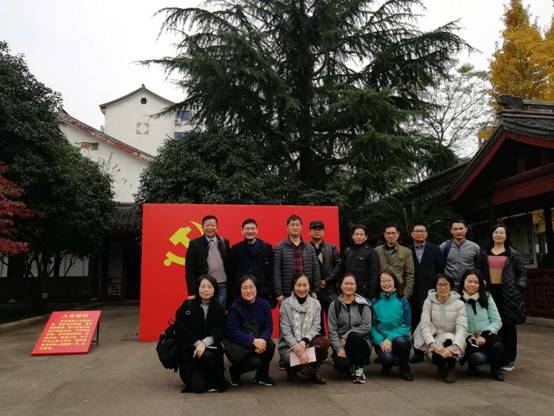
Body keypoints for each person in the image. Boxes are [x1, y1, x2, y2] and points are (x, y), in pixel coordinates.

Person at [478, 223, 527, 372]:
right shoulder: (484, 253)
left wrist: (518, 287)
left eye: (502, 232)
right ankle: (494, 356)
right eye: (496, 232)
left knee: (508, 326)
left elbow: (522, 274)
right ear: (491, 235)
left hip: (508, 293)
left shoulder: (513, 254)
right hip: (489, 292)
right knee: (491, 325)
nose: (499, 235)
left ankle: (509, 358)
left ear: (506, 236)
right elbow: (478, 272)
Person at [174, 274, 228, 393]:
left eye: (209, 287)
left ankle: (213, 377)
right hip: (190, 354)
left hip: (211, 353)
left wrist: (204, 343)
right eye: (203, 286)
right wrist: (197, 343)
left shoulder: (218, 308)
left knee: (208, 356)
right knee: (198, 387)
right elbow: (180, 328)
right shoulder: (187, 305)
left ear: (215, 289)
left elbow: (221, 329)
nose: (206, 290)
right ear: (197, 288)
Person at [413, 274, 467, 383]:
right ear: (435, 286)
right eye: (440, 284)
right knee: (438, 344)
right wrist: (433, 345)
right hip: (435, 340)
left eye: (446, 285)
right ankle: (441, 366)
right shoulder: (428, 302)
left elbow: (462, 328)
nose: (443, 287)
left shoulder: (459, 304)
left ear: (451, 287)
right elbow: (424, 326)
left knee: (449, 337)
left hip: (452, 341)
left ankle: (451, 369)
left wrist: (454, 347)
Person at [224, 275, 276, 387]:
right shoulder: (235, 307)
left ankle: (261, 376)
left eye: (251, 287)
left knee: (270, 345)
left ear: (256, 288)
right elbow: (233, 332)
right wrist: (253, 341)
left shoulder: (264, 304)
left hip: (258, 340)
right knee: (255, 362)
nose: (248, 291)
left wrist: (263, 340)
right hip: (240, 345)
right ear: (240, 290)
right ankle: (233, 371)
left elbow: (268, 326)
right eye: (245, 288)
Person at [279, 274, 329, 384]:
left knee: (323, 342)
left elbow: (316, 326)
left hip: (308, 343)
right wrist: (298, 348)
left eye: (305, 285)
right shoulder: (285, 305)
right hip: (289, 347)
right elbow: (286, 331)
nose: (302, 289)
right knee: (299, 361)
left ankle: (312, 372)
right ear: (293, 286)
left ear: (309, 286)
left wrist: (303, 342)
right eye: (298, 285)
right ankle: (292, 369)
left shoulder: (316, 304)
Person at [458, 269, 504, 381]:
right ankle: (472, 364)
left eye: (476, 282)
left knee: (497, 345)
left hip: (487, 336)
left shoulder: (486, 296)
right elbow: (456, 324)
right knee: (477, 358)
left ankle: (496, 369)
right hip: (469, 338)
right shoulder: (457, 300)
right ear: (463, 282)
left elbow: (497, 321)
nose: (473, 285)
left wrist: (484, 335)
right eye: (469, 281)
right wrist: (469, 337)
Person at [409, 223, 444, 363]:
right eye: (416, 231)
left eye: (422, 231)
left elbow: (440, 270)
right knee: (415, 321)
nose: (419, 233)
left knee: (432, 321)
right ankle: (417, 352)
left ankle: (434, 351)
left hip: (431, 291)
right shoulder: (407, 250)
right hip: (413, 291)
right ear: (412, 234)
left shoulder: (435, 249)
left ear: (427, 233)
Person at [328, 273, 372, 384]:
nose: (349, 286)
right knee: (342, 366)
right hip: (342, 345)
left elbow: (367, 327)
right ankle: (350, 364)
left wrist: (346, 336)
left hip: (361, 345)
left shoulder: (363, 304)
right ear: (341, 286)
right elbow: (332, 330)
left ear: (356, 286)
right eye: (346, 284)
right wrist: (338, 348)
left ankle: (359, 370)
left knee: (354, 336)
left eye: (352, 284)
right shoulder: (335, 305)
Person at [371, 270, 414, 381]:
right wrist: (381, 341)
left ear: (394, 282)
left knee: (402, 342)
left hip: (398, 338)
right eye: (383, 281)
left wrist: (389, 338)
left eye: (389, 280)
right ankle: (387, 365)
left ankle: (404, 369)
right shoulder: (375, 302)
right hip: (382, 340)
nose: (386, 283)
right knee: (387, 359)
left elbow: (407, 325)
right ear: (379, 283)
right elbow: (372, 327)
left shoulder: (403, 301)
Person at [273, 215, 320, 305]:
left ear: (301, 227)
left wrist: (316, 291)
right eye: (292, 225)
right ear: (287, 227)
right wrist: (278, 293)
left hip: (307, 293)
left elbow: (316, 270)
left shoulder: (310, 248)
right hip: (287, 294)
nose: (295, 227)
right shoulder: (279, 247)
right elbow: (276, 272)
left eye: (297, 225)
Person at [185, 215, 231, 306]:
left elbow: (229, 265)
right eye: (207, 225)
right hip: (205, 286)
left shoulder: (224, 242)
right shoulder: (194, 244)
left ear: (217, 227)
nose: (210, 228)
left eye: (212, 225)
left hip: (222, 285)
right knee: (205, 310)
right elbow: (189, 269)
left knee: (220, 311)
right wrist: (192, 292)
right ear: (202, 227)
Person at [229, 219, 274, 305]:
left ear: (257, 230)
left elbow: (271, 272)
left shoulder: (267, 248)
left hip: (262, 292)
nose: (250, 231)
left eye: (253, 228)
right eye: (247, 229)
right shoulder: (235, 249)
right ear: (242, 231)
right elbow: (231, 273)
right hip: (241, 293)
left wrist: (272, 293)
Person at [333, 225, 379, 299]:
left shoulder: (371, 253)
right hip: (347, 290)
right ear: (353, 236)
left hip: (363, 292)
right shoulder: (347, 251)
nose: (359, 237)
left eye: (361, 234)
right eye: (356, 234)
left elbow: (374, 276)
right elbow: (341, 271)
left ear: (366, 237)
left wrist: (370, 295)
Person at [374, 224, 414, 300]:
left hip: (399, 292)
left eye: (393, 233)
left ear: (398, 234)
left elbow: (410, 275)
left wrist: (406, 295)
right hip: (381, 291)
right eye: (388, 233)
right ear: (385, 235)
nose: (391, 236)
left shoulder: (406, 252)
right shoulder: (377, 251)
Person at [310, 220, 341, 313]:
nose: (317, 231)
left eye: (319, 229)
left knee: (333, 319)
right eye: (314, 229)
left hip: (330, 291)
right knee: (316, 321)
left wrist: (326, 280)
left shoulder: (331, 247)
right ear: (310, 232)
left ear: (323, 232)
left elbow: (339, 265)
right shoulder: (306, 248)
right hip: (313, 292)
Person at [440, 219, 480, 290]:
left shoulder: (475, 247)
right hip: (449, 286)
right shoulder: (444, 247)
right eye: (455, 229)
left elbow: (478, 266)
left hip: (468, 286)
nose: (458, 231)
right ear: (451, 231)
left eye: (461, 229)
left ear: (466, 230)